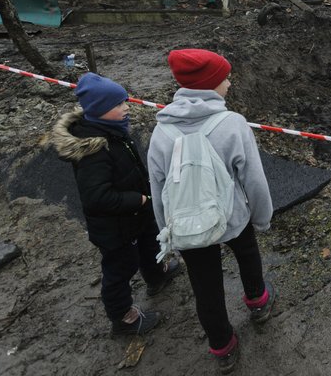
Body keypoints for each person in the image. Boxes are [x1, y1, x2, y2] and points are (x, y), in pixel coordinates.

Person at [147, 49, 275, 374]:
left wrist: (169, 234)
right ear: (209, 85)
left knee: (205, 288)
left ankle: (222, 346)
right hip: (232, 219)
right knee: (247, 257)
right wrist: (262, 217)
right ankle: (258, 302)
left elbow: (158, 190)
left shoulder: (161, 132)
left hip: (189, 230)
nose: (230, 84)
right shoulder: (232, 125)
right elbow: (254, 181)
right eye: (224, 78)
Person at [48, 72, 181, 336]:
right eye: (118, 105)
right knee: (120, 270)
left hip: (136, 215)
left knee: (150, 243)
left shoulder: (114, 132)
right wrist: (138, 198)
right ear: (100, 111)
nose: (126, 107)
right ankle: (123, 317)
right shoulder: (93, 151)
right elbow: (96, 197)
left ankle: (156, 276)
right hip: (116, 228)